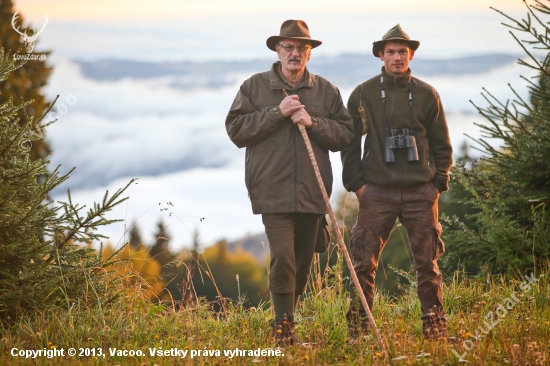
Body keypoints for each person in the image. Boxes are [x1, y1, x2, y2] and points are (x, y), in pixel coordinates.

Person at [226, 19, 353, 345]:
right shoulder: (254, 87)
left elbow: (345, 135)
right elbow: (236, 130)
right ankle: (282, 332)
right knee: (283, 258)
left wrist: (313, 122)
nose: (295, 53)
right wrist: (277, 113)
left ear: (309, 53)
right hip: (272, 191)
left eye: (302, 48)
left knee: (303, 264)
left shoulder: (326, 91)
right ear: (277, 50)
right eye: (289, 47)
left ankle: (287, 328)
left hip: (313, 191)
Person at [341, 24, 453, 340]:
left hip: (421, 191)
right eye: (391, 51)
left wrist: (438, 184)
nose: (397, 57)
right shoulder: (363, 94)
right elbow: (349, 142)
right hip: (376, 190)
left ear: (411, 54)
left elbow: (442, 143)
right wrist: (357, 185)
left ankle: (435, 331)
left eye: (402, 51)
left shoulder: (426, 94)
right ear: (381, 54)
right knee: (363, 264)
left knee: (427, 266)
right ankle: (358, 332)